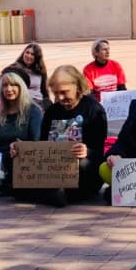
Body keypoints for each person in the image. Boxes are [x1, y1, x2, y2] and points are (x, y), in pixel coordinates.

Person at [27, 65, 108, 206]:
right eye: (56, 93)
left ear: (77, 87)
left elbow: (99, 150)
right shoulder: (52, 111)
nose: (60, 98)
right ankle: (56, 193)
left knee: (83, 165)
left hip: (83, 167)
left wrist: (86, 151)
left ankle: (55, 194)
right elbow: (43, 143)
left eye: (64, 92)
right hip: (55, 168)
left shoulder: (93, 109)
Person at [11, 43, 50, 108]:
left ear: (37, 57)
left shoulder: (40, 70)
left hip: (39, 102)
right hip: (23, 103)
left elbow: (44, 90)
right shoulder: (14, 68)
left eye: (32, 54)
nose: (29, 55)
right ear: (23, 53)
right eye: (27, 52)